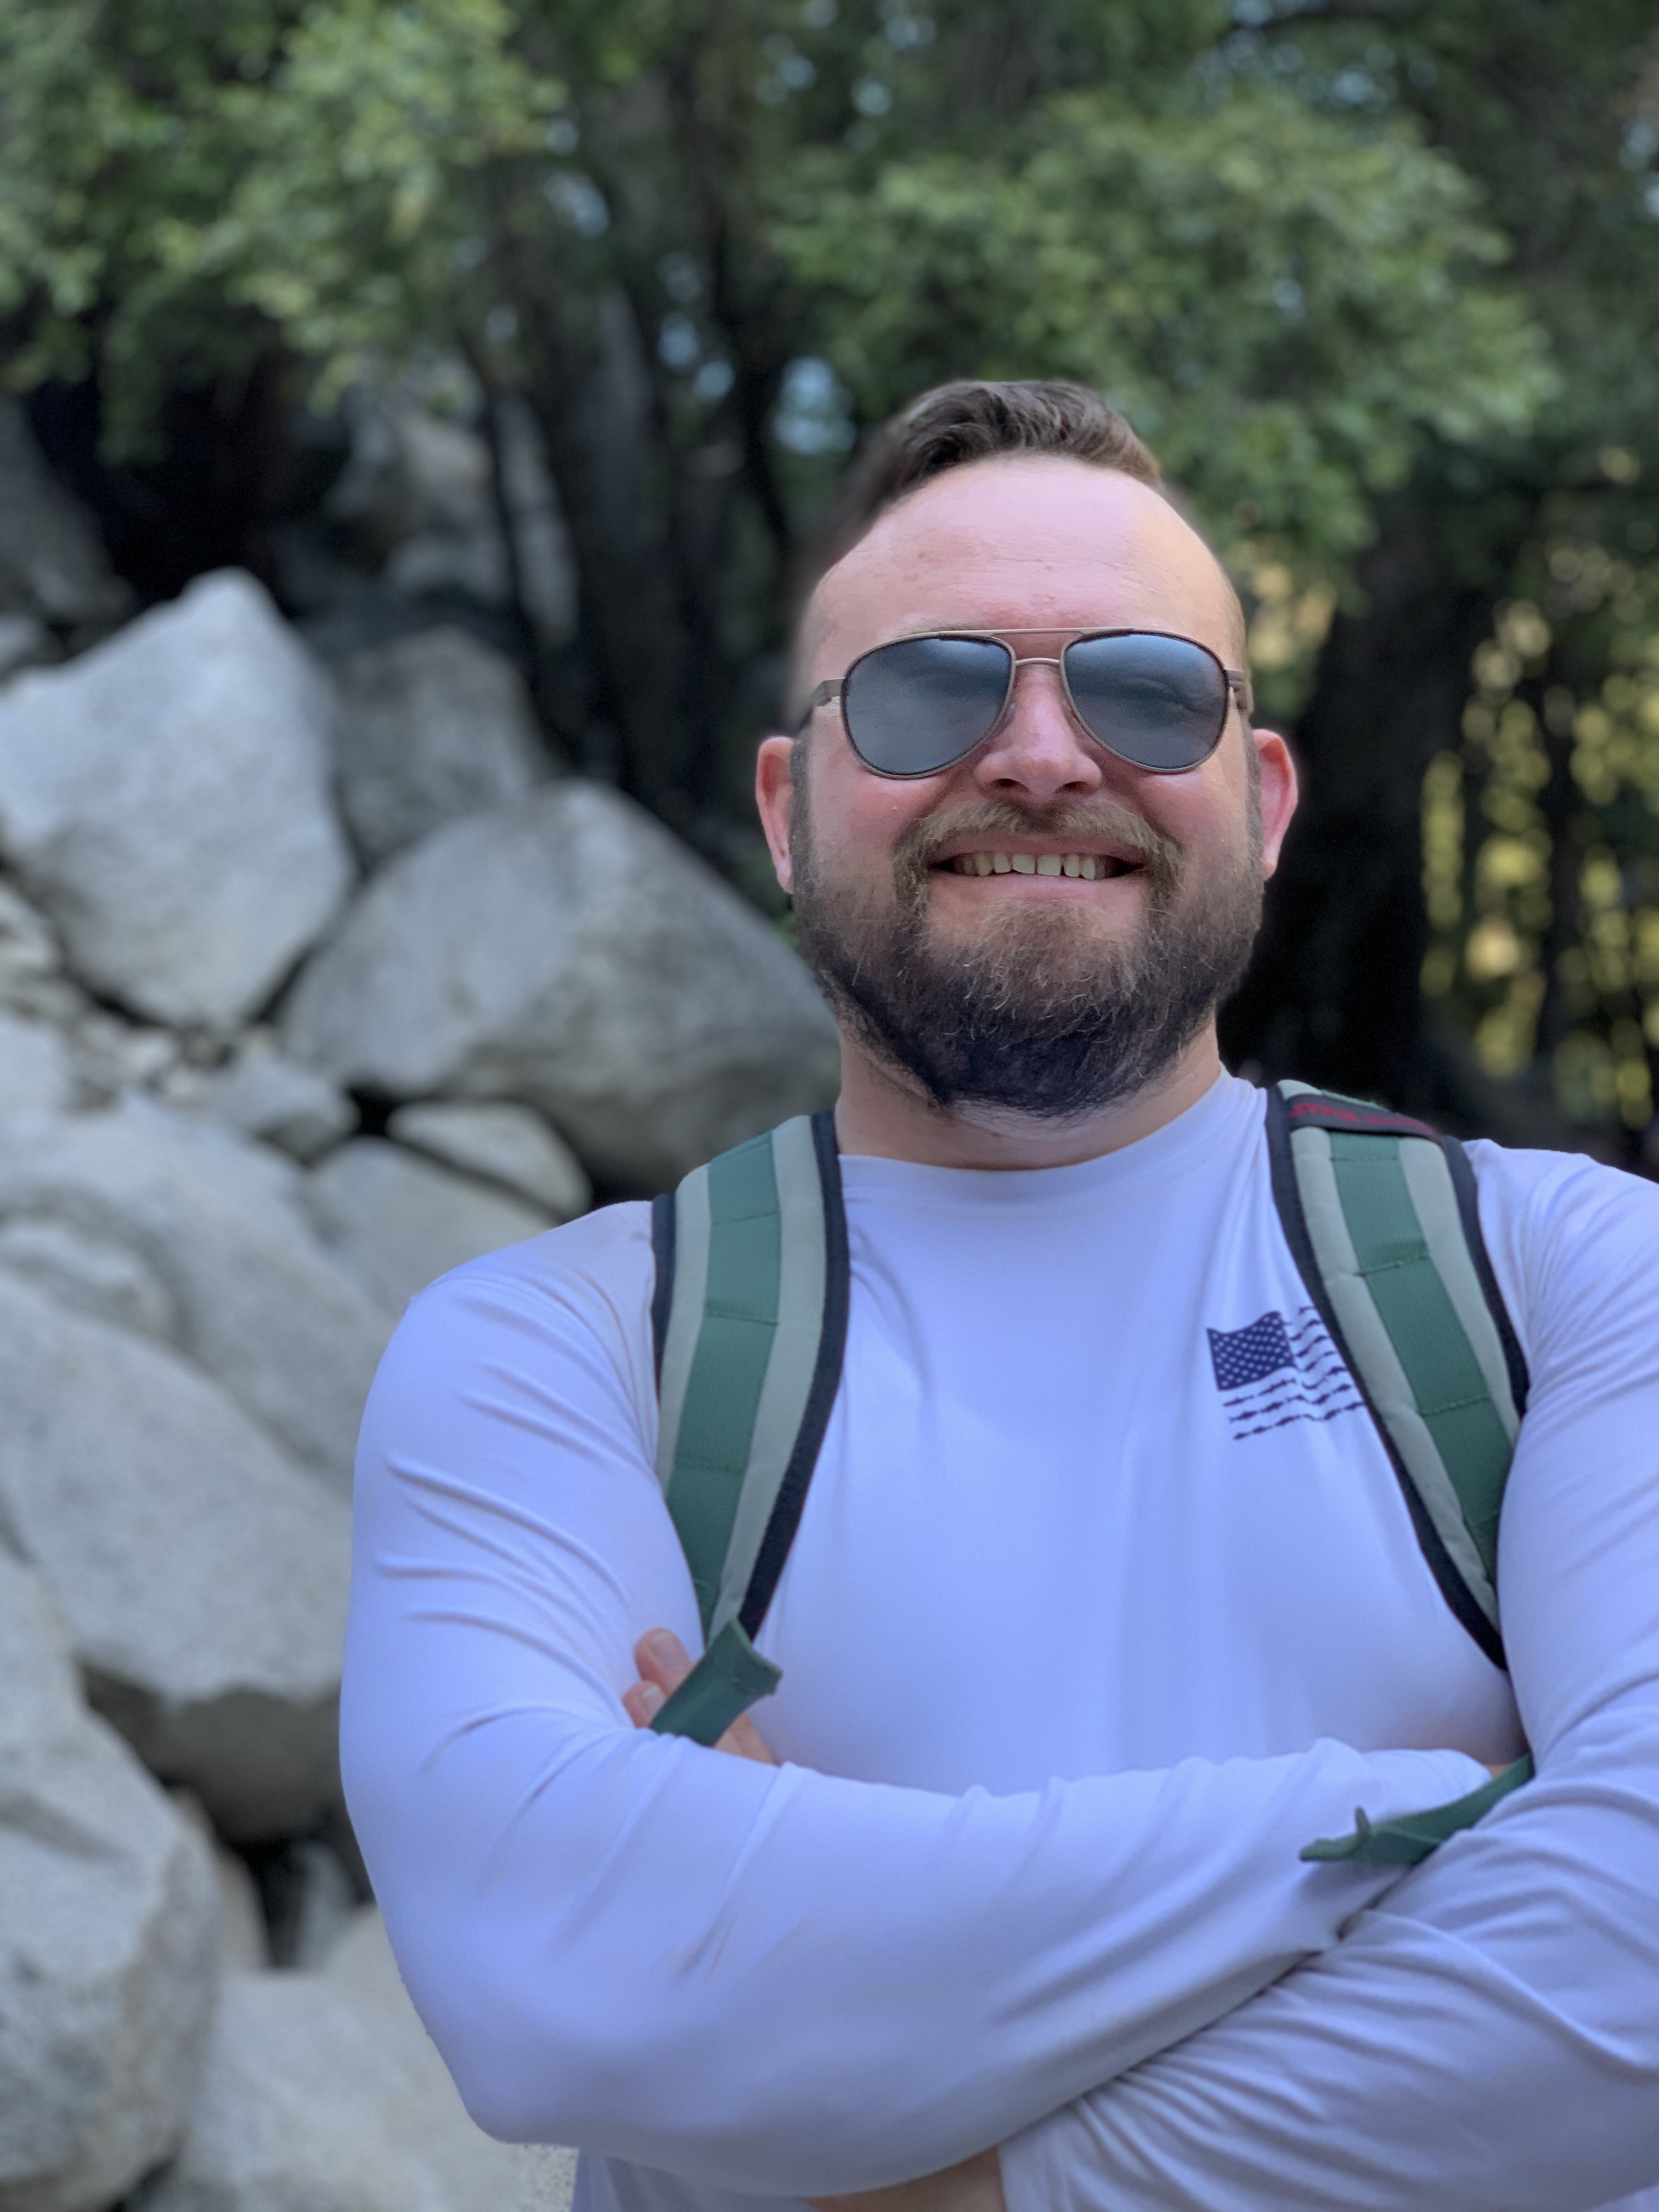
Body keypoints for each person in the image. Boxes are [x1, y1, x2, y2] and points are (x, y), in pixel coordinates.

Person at [340, 381, 1659, 2212]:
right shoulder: (560, 1355)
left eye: (1146, 694)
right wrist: (1435, 1830)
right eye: (929, 691)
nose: (1041, 755)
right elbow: (552, 1989)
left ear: (1263, 798)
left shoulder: (1568, 1277)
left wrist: (952, 2164)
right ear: (790, 809)